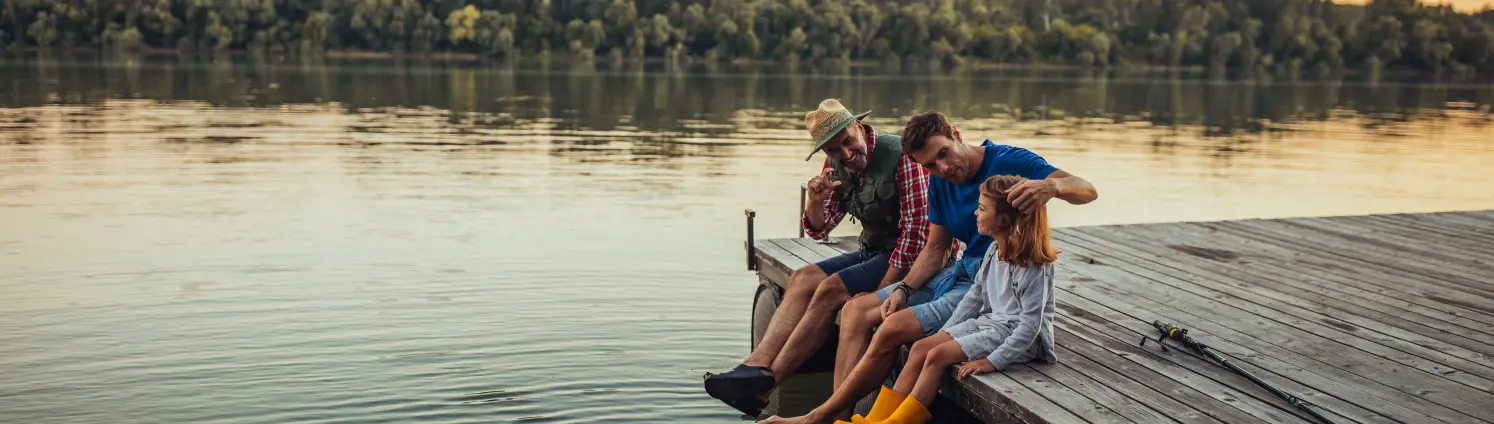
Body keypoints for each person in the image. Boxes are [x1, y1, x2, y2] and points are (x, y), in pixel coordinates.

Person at [759, 111, 1095, 424]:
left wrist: (1052, 186)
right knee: (855, 311)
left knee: (890, 330)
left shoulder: (1009, 162)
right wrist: (904, 289)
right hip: (955, 272)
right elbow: (935, 248)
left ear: (955, 134)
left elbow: (1087, 190)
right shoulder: (938, 181)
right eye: (931, 165)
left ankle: (819, 418)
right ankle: (841, 418)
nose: (943, 169)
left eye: (944, 154)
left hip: (987, 283)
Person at [703, 99, 933, 417]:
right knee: (804, 277)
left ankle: (769, 385)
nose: (845, 154)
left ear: (859, 127)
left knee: (830, 289)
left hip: (906, 258)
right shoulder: (834, 166)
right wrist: (814, 201)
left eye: (847, 142)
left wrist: (882, 292)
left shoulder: (902, 156)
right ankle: (755, 368)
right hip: (872, 250)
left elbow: (916, 239)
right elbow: (820, 229)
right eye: (834, 150)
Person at [843, 174, 1061, 424]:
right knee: (921, 347)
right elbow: (973, 298)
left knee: (936, 356)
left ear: (1004, 219)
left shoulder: (1033, 264)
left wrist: (994, 361)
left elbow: (1030, 326)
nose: (975, 214)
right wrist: (946, 333)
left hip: (1019, 337)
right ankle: (875, 420)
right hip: (990, 323)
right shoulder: (993, 251)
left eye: (981, 208)